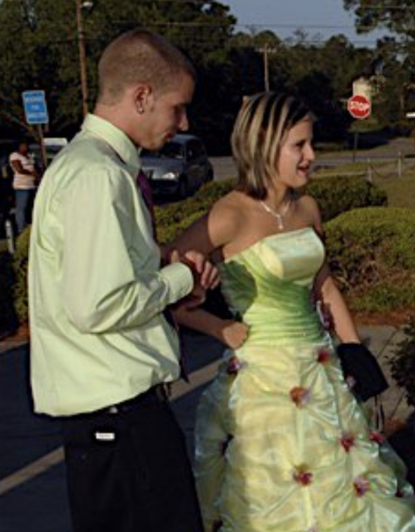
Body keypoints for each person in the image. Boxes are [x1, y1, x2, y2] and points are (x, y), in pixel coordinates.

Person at [170, 92, 415, 532]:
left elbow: (323, 283)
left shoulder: (307, 208)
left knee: (346, 491)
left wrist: (350, 346)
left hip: (320, 369)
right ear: (264, 145)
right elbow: (164, 276)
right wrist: (217, 326)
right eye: (299, 145)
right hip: (262, 379)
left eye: (311, 144)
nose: (311, 156)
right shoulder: (230, 214)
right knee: (277, 500)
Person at [28, 29, 216, 532]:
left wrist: (168, 270)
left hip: (112, 422)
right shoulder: (98, 176)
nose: (184, 123)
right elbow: (98, 304)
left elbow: (106, 281)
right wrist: (179, 277)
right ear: (141, 96)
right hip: (119, 420)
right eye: (178, 108)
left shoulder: (89, 166)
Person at [9, 139, 38, 233]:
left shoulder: (28, 155)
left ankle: (29, 225)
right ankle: (21, 229)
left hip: (31, 185)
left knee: (30, 207)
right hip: (21, 186)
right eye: (23, 145)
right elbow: (19, 169)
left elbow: (33, 167)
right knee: (21, 208)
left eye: (26, 145)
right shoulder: (14, 155)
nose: (25, 147)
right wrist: (33, 174)